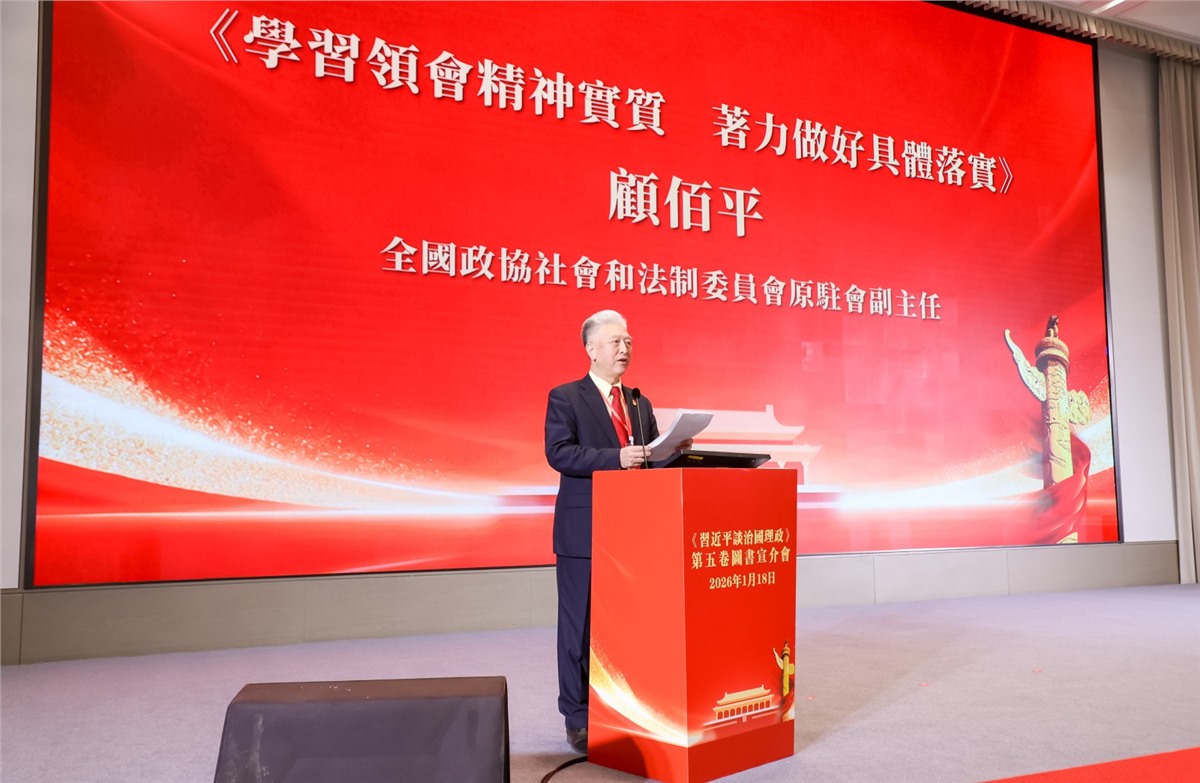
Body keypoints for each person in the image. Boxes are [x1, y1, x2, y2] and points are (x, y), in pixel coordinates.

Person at [543, 309, 663, 754]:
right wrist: (616, 459)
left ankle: (623, 708)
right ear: (591, 350)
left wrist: (673, 451)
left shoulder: (639, 403)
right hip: (583, 531)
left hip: (632, 531)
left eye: (628, 341)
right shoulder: (565, 397)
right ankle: (577, 716)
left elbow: (650, 460)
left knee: (626, 627)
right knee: (579, 627)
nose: (624, 348)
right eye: (615, 342)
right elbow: (559, 453)